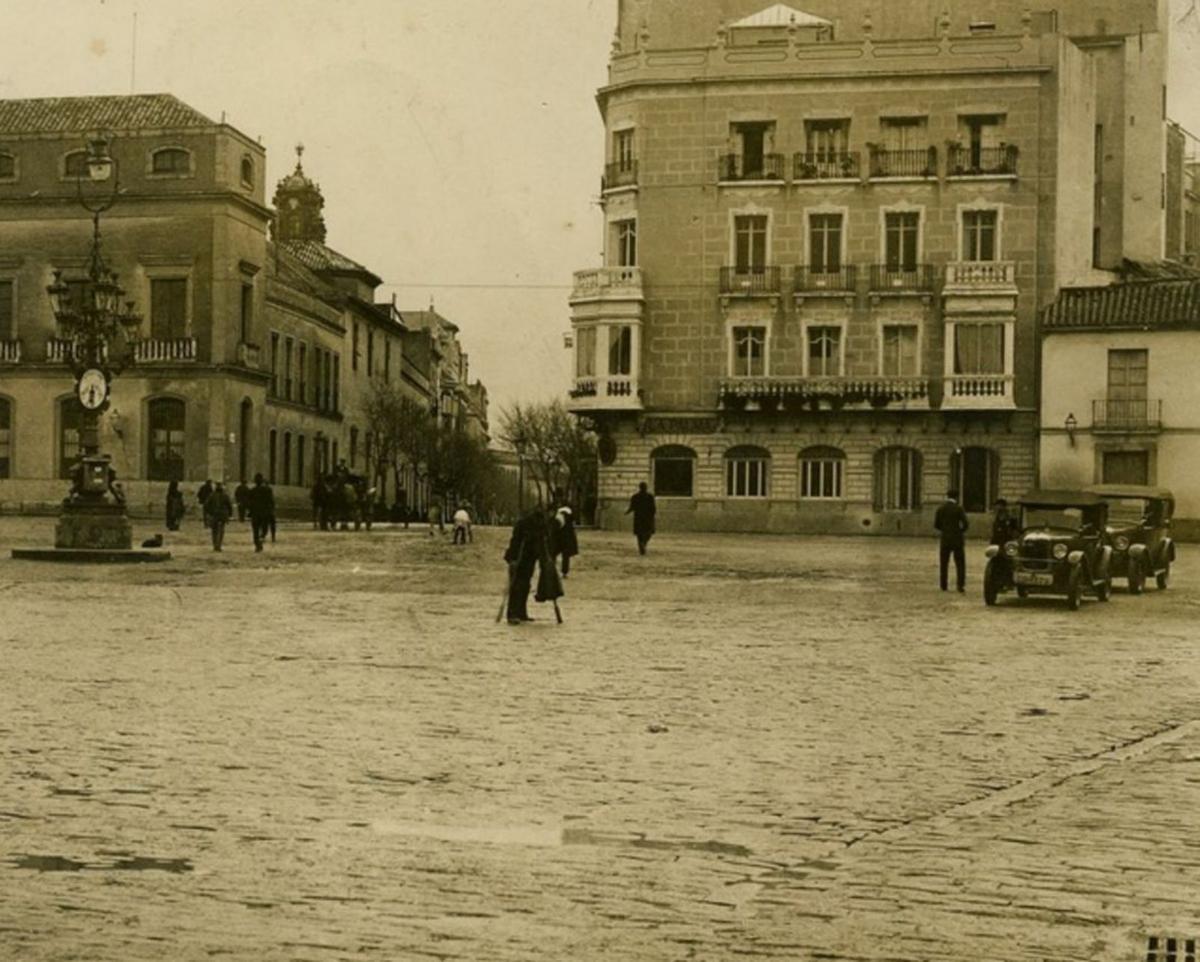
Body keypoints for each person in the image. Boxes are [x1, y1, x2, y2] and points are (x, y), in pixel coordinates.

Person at [503, 507, 551, 624]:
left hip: (528, 560)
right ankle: (512, 614)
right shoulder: (525, 526)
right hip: (518, 559)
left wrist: (545, 562)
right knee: (517, 585)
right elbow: (516, 543)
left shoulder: (539, 527)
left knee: (525, 586)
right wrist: (514, 560)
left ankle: (521, 613)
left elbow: (542, 546)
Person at [934, 489, 970, 592]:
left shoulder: (941, 508)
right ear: (957, 497)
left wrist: (945, 530)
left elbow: (936, 524)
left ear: (947, 496)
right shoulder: (959, 509)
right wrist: (959, 531)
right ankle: (960, 585)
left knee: (944, 563)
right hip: (957, 539)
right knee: (960, 563)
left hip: (945, 539)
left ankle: (943, 585)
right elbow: (966, 524)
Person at [551, 495, 579, 577]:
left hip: (560, 537)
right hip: (566, 537)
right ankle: (564, 571)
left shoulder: (558, 510)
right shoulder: (568, 509)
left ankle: (555, 570)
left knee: (555, 553)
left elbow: (555, 525)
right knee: (564, 555)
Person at [626, 482, 657, 555]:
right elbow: (653, 508)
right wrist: (653, 515)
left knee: (639, 534)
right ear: (646, 488)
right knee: (648, 533)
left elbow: (632, 507)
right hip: (647, 518)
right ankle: (643, 544)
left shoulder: (635, 496)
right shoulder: (650, 497)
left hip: (639, 518)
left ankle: (641, 545)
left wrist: (627, 512)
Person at [247, 473, 275, 552]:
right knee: (264, 529)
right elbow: (271, 501)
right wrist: (271, 510)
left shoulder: (252, 491)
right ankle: (260, 539)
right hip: (264, 513)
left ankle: (257, 544)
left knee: (255, 529)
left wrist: (250, 510)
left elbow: (249, 502)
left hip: (255, 513)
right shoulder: (267, 490)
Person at [204, 481, 233, 552]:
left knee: (214, 531)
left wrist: (209, 512)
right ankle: (218, 545)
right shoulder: (225, 495)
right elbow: (229, 505)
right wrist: (229, 514)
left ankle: (215, 545)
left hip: (214, 515)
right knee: (221, 530)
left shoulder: (212, 495)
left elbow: (206, 505)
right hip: (222, 515)